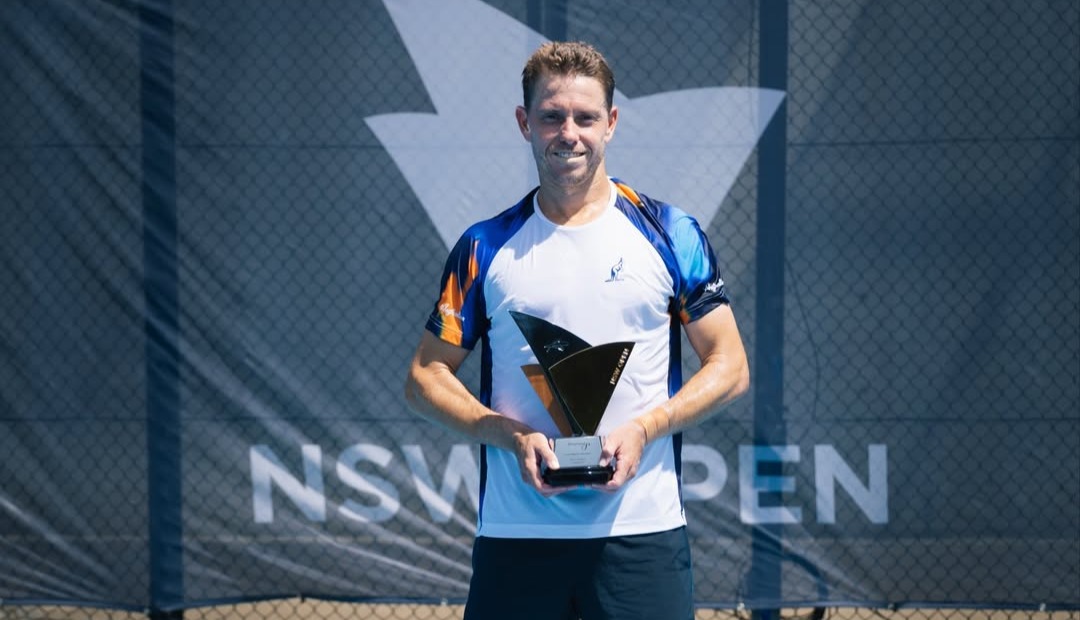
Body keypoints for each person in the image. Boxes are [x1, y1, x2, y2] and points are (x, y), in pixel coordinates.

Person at [404, 41, 750, 620]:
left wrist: (646, 429)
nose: (570, 133)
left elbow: (730, 366)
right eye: (551, 116)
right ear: (524, 124)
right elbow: (424, 376)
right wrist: (511, 436)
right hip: (516, 540)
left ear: (611, 123)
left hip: (642, 536)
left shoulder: (670, 233)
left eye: (586, 117)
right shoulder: (484, 246)